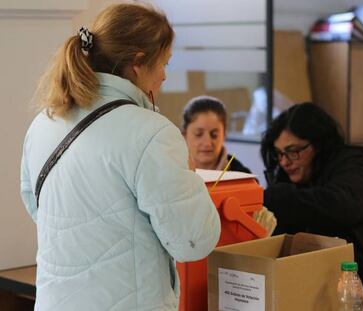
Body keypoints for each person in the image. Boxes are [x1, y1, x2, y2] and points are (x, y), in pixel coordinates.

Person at [20, 4, 220, 311]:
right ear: (138, 62)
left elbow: (36, 206)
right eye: (164, 63)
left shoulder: (44, 122)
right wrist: (191, 177)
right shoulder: (152, 133)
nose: (165, 76)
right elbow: (193, 242)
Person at [260, 102, 363, 296]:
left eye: (293, 151)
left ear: (318, 145)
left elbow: (339, 207)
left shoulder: (355, 165)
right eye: (279, 154)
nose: (285, 162)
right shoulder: (289, 177)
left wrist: (274, 196)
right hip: (328, 287)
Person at [182, 95, 251, 173]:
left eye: (214, 135)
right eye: (199, 134)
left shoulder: (242, 175)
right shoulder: (172, 173)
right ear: (184, 135)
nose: (207, 143)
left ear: (224, 134)